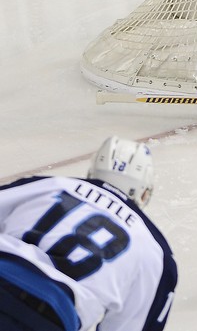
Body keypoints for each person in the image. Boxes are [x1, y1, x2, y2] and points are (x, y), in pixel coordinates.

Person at [0, 136, 177, 330]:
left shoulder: (53, 185)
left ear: (92, 171)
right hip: (48, 312)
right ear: (144, 193)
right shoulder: (153, 249)